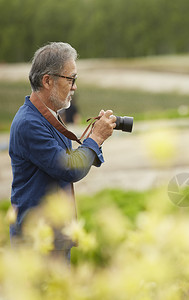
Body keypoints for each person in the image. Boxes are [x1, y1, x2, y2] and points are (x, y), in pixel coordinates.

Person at [9, 42, 116, 261]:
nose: (75, 87)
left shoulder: (45, 115)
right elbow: (69, 169)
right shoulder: (30, 123)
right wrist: (96, 137)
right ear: (47, 80)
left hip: (50, 237)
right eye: (71, 79)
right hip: (37, 243)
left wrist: (96, 138)